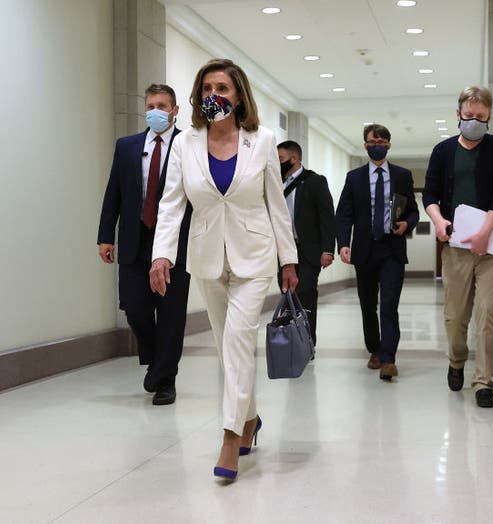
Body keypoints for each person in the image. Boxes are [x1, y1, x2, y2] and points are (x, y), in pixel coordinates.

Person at [148, 59, 298, 480]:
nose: (216, 94)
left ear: (238, 96)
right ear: (199, 96)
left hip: (254, 257)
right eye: (208, 87)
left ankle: (231, 435)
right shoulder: (186, 144)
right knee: (226, 345)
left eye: (224, 88)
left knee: (237, 339)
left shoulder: (262, 140)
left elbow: (275, 203)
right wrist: (162, 255)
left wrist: (288, 259)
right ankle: (250, 417)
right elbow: (172, 203)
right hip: (207, 257)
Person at [422, 86, 493, 408]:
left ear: (489, 115)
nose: (474, 120)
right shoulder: (443, 151)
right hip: (456, 246)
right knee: (455, 314)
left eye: (480, 116)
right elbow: (430, 194)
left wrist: (485, 233)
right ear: (458, 113)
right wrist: (438, 222)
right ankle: (457, 359)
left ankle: (484, 381)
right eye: (469, 114)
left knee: (488, 312)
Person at [97, 84, 190, 406]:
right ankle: (156, 360)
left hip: (177, 243)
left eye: (162, 105)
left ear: (175, 110)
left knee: (171, 315)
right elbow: (114, 193)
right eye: (151, 105)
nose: (155, 111)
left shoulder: (189, 145)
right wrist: (105, 235)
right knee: (135, 308)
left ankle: (165, 380)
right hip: (136, 240)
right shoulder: (127, 146)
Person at [336, 124, 419, 382]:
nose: (378, 144)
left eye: (382, 140)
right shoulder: (355, 177)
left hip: (392, 249)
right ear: (365, 144)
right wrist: (343, 243)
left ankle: (388, 359)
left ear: (389, 144)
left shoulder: (402, 175)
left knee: (389, 305)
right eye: (373, 141)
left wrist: (408, 224)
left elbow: (413, 210)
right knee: (368, 305)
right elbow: (344, 213)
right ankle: (374, 348)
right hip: (364, 250)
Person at [276, 140, 336, 349]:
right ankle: (293, 340)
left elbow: (327, 217)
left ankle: (307, 343)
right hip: (283, 250)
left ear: (294, 159)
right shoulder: (274, 182)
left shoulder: (314, 181)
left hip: (308, 250)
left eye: (280, 159)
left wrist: (328, 249)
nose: (277, 163)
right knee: (288, 295)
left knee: (306, 294)